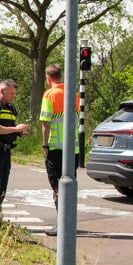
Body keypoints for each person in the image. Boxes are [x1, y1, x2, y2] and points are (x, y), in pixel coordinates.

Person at [0, 79, 30, 225]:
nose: (13, 96)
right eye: (11, 93)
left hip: (6, 150)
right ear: (2, 90)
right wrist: (16, 129)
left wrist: (21, 131)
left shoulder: (11, 109)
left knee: (3, 184)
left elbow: (9, 129)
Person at [38, 64, 77, 207]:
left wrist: (45, 145)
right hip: (74, 148)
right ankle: (69, 221)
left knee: (57, 187)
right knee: (70, 184)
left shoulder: (50, 95)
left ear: (48, 79)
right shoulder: (74, 94)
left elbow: (46, 123)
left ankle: (62, 224)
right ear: (59, 76)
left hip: (56, 148)